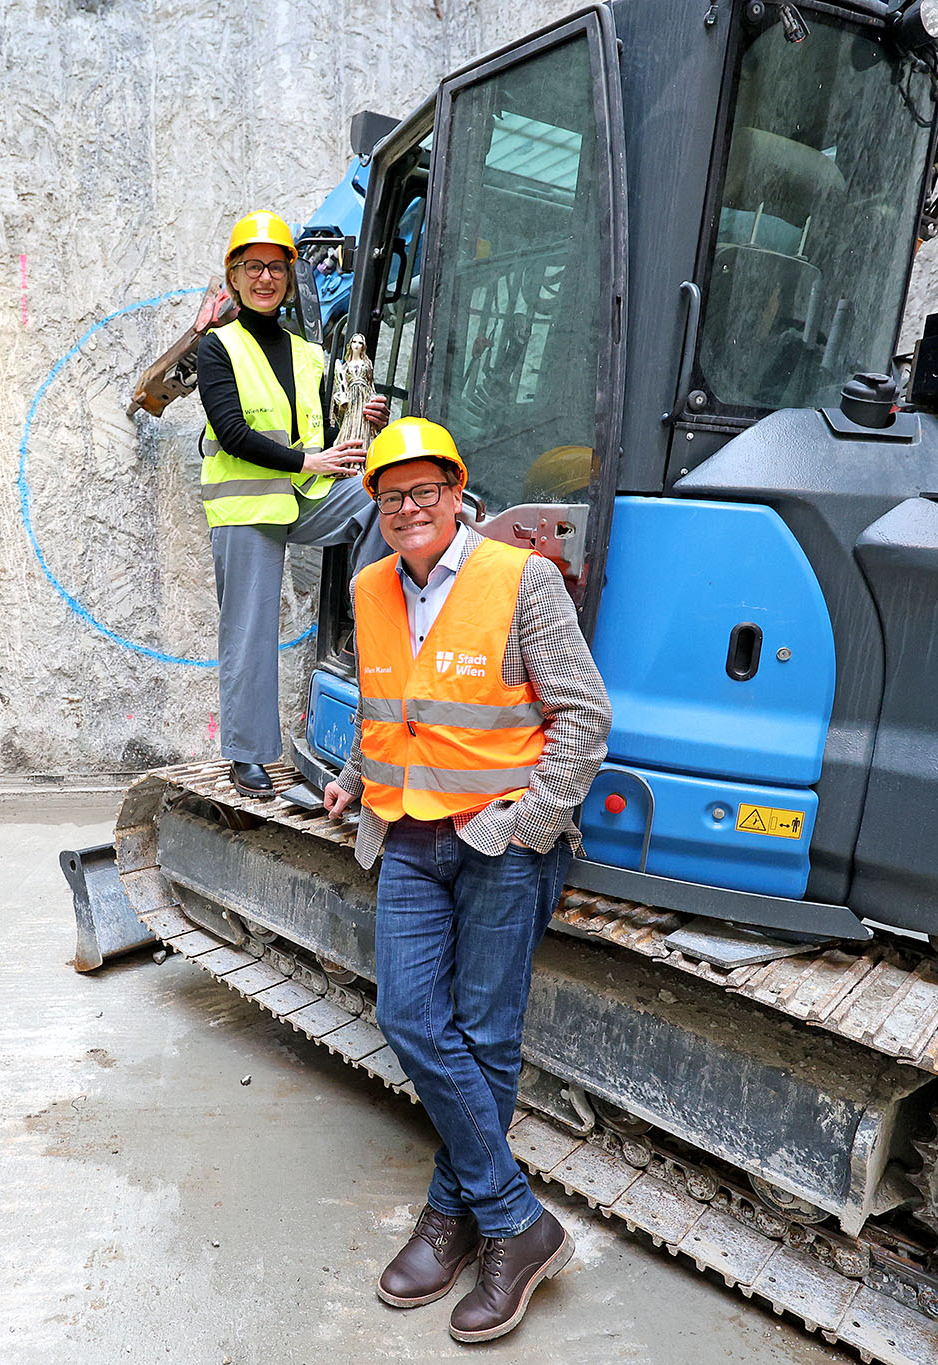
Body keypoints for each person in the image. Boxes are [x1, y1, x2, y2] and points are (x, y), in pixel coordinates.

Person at [321, 418, 611, 1344]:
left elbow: (583, 714)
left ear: (456, 492)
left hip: (500, 837)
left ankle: (454, 1219)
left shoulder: (520, 578)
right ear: (377, 505)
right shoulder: (371, 587)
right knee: (411, 1016)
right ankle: (515, 1219)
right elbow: (389, 702)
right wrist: (355, 777)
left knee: (486, 1034)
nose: (409, 509)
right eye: (390, 495)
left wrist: (526, 824)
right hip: (406, 831)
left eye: (424, 491)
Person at [198, 210, 390, 797]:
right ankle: (248, 754)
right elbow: (232, 431)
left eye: (276, 267)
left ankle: (372, 614)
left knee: (384, 500)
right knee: (250, 630)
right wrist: (310, 462)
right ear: (233, 277)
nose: (265, 278)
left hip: (303, 496)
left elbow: (323, 427)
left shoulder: (308, 353)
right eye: (252, 267)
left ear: (289, 274)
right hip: (248, 507)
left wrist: (362, 418)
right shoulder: (218, 348)